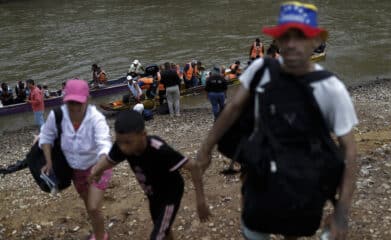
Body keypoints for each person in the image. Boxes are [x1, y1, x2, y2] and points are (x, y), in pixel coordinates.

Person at [197, 2, 358, 240]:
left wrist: (342, 212)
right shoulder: (261, 69)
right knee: (254, 228)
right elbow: (233, 108)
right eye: (286, 36)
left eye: (300, 36)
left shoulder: (331, 88)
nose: (292, 44)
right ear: (278, 41)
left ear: (315, 41)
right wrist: (206, 149)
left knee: (294, 230)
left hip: (306, 182)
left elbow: (350, 152)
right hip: (261, 173)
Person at [88, 110, 210, 240]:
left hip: (170, 194)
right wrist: (96, 170)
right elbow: (109, 160)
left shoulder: (159, 150)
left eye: (128, 143)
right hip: (153, 195)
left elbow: (194, 167)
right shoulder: (122, 144)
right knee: (163, 229)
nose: (123, 148)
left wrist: (200, 200)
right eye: (119, 142)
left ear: (143, 135)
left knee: (157, 235)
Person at [39, 79, 112, 240]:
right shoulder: (57, 115)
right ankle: (99, 231)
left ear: (87, 99)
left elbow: (104, 144)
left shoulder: (96, 118)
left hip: (98, 167)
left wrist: (99, 167)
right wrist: (48, 161)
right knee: (88, 205)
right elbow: (46, 137)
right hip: (76, 170)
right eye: (70, 102)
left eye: (78, 102)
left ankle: (101, 237)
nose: (74, 107)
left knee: (93, 207)